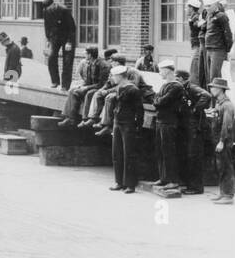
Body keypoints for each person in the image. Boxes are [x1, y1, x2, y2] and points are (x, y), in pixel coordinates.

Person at [108, 64, 144, 193]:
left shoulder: (132, 89)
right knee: (116, 153)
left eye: (113, 76)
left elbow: (139, 110)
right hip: (118, 123)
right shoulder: (119, 88)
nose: (112, 78)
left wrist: (138, 126)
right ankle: (119, 182)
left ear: (120, 76)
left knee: (129, 154)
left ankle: (130, 184)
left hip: (128, 123)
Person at [151, 59, 185, 191]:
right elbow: (156, 99)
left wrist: (157, 100)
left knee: (169, 152)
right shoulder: (165, 85)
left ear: (168, 70)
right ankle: (164, 178)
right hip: (161, 121)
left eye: (161, 70)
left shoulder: (176, 86)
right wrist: (158, 100)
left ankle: (173, 180)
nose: (160, 73)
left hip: (169, 122)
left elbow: (161, 102)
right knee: (160, 151)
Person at [176, 68, 211, 195]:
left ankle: (196, 188)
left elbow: (206, 95)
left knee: (194, 157)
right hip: (188, 128)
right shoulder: (183, 89)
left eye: (176, 78)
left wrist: (195, 110)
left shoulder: (191, 87)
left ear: (181, 78)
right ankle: (190, 185)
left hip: (196, 128)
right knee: (188, 156)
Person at [206, 77, 235, 204]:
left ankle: (228, 195)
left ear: (220, 89)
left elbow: (227, 125)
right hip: (219, 140)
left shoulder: (227, 105)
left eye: (213, 87)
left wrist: (222, 141)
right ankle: (223, 193)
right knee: (221, 167)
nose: (211, 89)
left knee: (226, 167)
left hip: (223, 141)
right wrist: (213, 112)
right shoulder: (220, 103)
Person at [58, 46, 108, 126]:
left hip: (99, 88)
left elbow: (101, 84)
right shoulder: (89, 63)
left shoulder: (102, 65)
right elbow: (88, 81)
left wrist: (86, 88)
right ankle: (70, 118)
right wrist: (81, 86)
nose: (84, 56)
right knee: (73, 91)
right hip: (90, 86)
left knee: (89, 94)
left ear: (90, 55)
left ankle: (85, 119)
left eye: (86, 54)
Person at [41, 0, 77, 90]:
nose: (47, 10)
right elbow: (47, 26)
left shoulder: (64, 10)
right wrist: (48, 39)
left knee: (67, 61)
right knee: (51, 58)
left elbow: (72, 27)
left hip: (67, 37)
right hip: (55, 37)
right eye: (46, 9)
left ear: (53, 5)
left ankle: (65, 85)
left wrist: (69, 42)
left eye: (48, 8)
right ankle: (55, 81)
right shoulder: (46, 12)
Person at [204, 0, 234, 83]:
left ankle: (216, 96)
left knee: (214, 76)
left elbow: (228, 34)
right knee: (210, 76)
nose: (207, 8)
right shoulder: (209, 16)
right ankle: (214, 95)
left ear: (216, 5)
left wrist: (227, 49)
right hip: (209, 49)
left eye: (209, 6)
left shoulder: (221, 16)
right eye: (205, 6)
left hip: (218, 50)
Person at [185, 0, 206, 85]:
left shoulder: (196, 16)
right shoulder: (194, 16)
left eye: (187, 7)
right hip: (195, 45)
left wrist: (198, 23)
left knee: (195, 67)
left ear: (191, 8)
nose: (186, 9)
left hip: (198, 46)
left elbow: (199, 24)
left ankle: (194, 86)